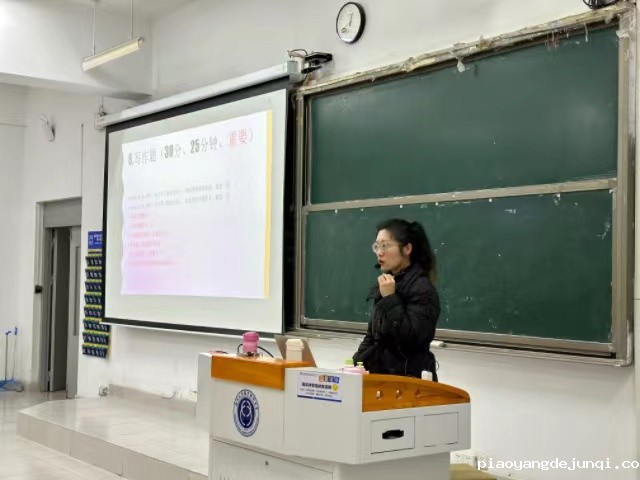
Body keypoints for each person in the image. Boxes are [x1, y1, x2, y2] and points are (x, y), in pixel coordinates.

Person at [353, 218, 440, 380]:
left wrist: (390, 298)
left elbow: (410, 340)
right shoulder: (388, 283)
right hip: (380, 376)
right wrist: (357, 364)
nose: (379, 252)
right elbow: (372, 336)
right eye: (377, 246)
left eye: (385, 245)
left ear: (407, 249)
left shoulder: (422, 288)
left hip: (409, 379)